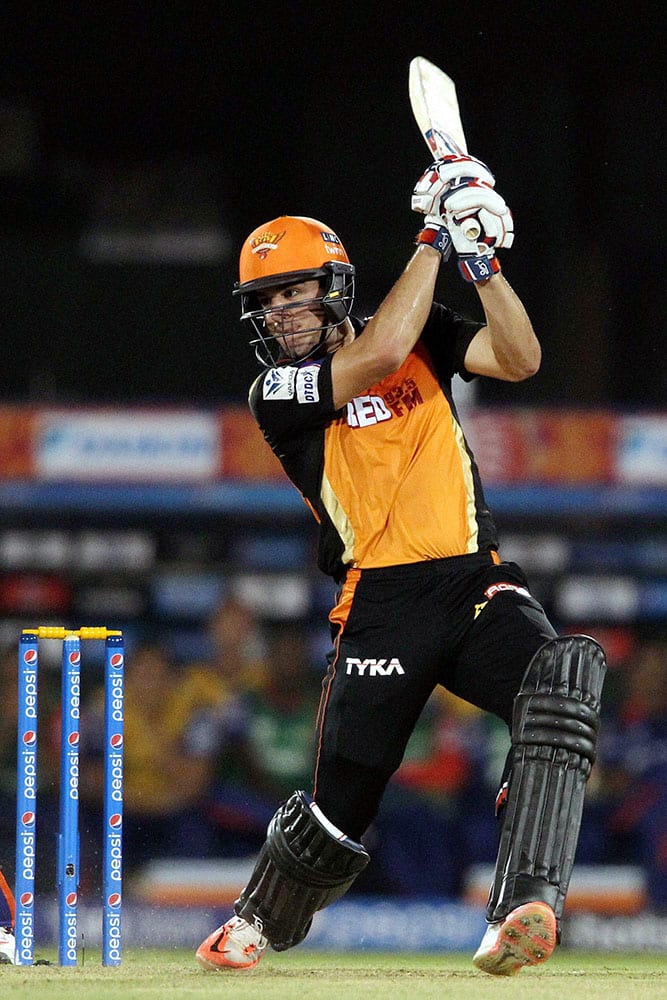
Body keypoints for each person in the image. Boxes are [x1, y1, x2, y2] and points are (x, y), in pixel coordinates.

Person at [196, 151, 607, 977]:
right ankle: (253, 919)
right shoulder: (276, 393)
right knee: (340, 807)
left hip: (470, 579)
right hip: (378, 601)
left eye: (294, 291)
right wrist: (433, 233)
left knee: (562, 674)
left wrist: (482, 261)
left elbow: (519, 358)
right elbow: (379, 356)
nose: (280, 314)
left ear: (334, 285)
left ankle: (521, 908)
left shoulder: (423, 329)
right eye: (266, 302)